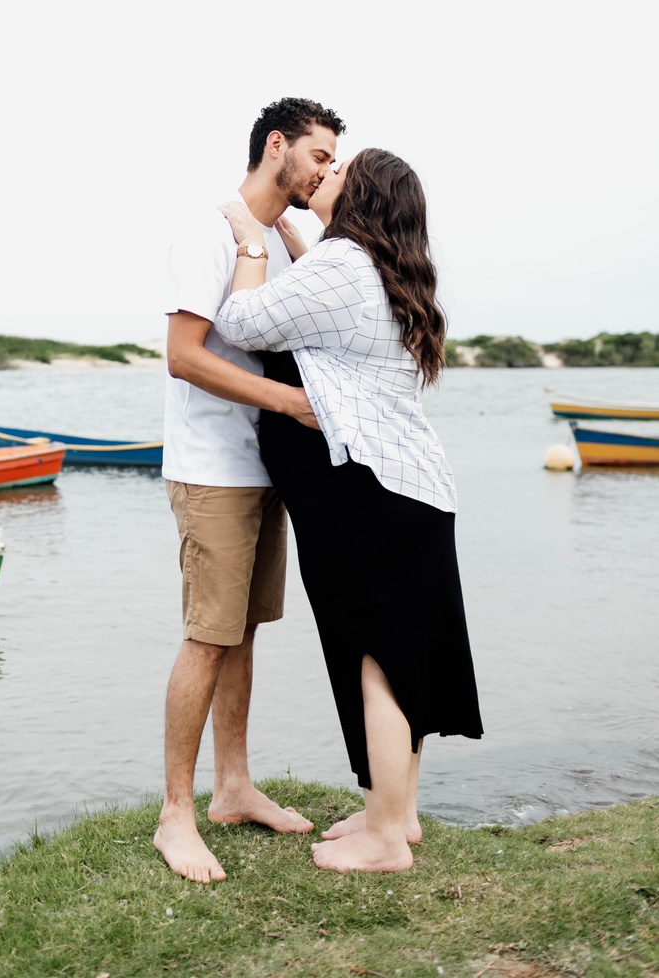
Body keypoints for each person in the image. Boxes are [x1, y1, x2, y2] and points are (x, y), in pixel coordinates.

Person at [213, 147, 483, 874]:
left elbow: (241, 321)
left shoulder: (344, 265)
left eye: (337, 170)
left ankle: (385, 840)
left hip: (369, 495)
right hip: (411, 491)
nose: (322, 175)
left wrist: (250, 244)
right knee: (399, 654)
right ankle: (396, 814)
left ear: (359, 193)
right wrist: (302, 244)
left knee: (375, 658)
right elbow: (330, 323)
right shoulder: (386, 270)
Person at [155, 96, 346, 884]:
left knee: (243, 632)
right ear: (276, 145)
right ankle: (175, 814)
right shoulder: (209, 232)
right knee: (208, 635)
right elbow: (183, 355)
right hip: (211, 468)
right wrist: (291, 404)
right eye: (318, 155)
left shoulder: (276, 242)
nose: (325, 171)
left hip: (266, 468)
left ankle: (232, 787)